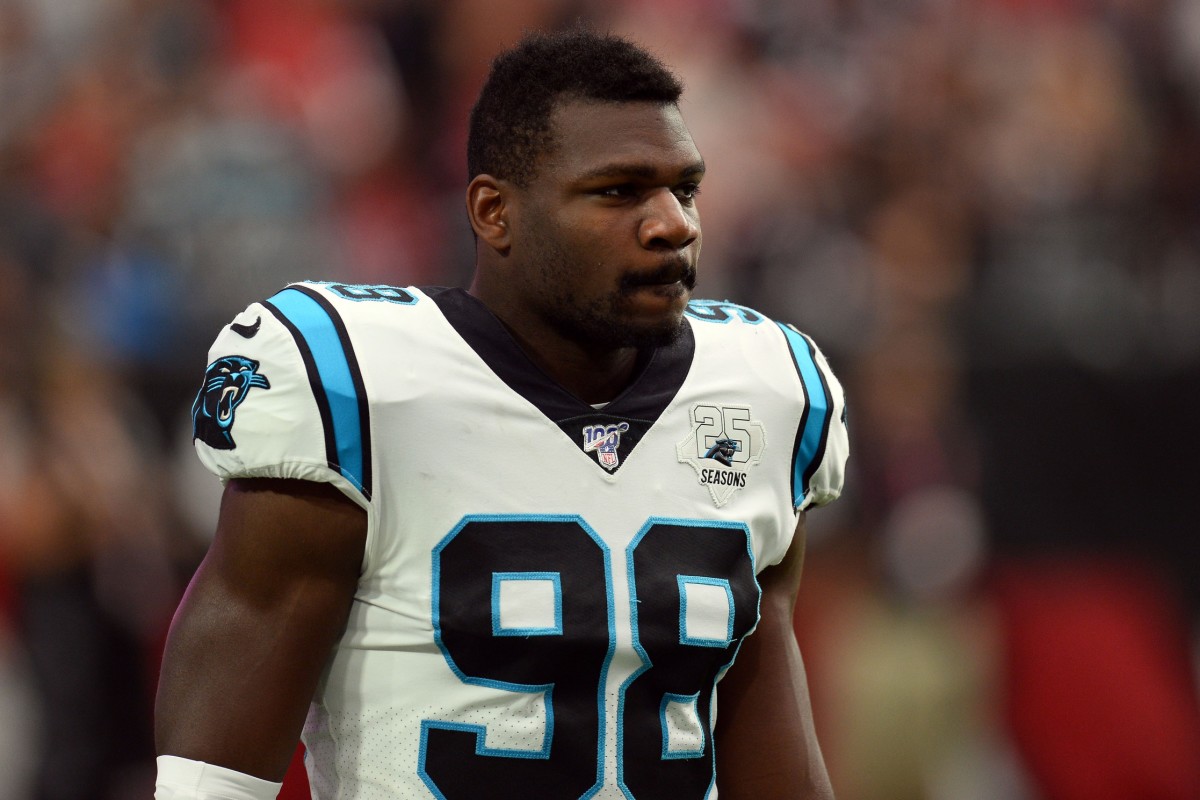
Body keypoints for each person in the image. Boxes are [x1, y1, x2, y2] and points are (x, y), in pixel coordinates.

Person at [154, 27, 849, 800]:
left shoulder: (764, 389)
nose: (672, 224)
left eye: (683, 189)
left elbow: (764, 721)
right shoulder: (356, 384)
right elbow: (211, 779)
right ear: (494, 212)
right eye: (618, 191)